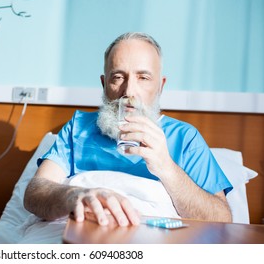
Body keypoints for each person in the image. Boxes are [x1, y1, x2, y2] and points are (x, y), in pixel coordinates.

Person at [24, 32, 232, 227]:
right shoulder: (78, 127)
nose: (129, 91)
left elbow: (222, 219)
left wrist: (167, 167)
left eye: (143, 77)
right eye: (118, 77)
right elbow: (34, 194)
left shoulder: (185, 137)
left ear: (160, 86)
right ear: (104, 84)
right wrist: (75, 195)